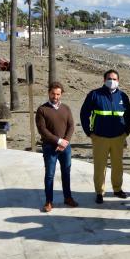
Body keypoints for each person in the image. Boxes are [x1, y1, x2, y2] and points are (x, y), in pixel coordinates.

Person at [80, 69, 130, 204]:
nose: (111, 81)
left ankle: (117, 189)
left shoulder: (123, 96)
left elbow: (127, 116)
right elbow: (84, 113)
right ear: (104, 80)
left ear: (118, 81)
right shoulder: (94, 95)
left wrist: (126, 132)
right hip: (100, 137)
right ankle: (99, 192)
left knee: (117, 166)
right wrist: (89, 132)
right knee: (100, 166)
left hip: (118, 138)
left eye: (114, 79)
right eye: (109, 78)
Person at [35, 81, 78, 212]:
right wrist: (59, 141)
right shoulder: (42, 110)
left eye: (58, 94)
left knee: (66, 173)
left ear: (61, 94)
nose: (55, 96)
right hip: (49, 147)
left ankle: (68, 197)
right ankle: (49, 201)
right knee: (49, 175)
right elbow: (42, 130)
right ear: (49, 93)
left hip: (65, 147)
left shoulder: (66, 108)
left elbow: (71, 126)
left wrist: (65, 142)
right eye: (53, 94)